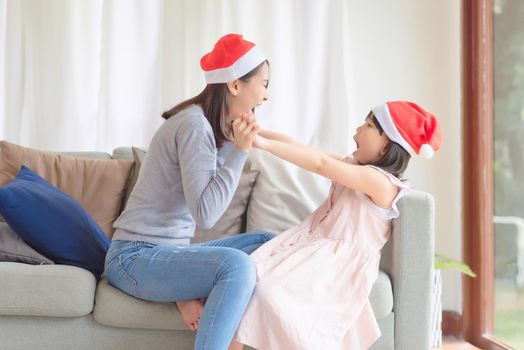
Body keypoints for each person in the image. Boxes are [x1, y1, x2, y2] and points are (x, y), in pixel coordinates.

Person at [103, 33, 276, 350]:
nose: (266, 96)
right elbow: (206, 215)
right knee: (235, 266)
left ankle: (204, 306)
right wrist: (239, 152)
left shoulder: (213, 126)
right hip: (133, 258)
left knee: (268, 244)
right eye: (264, 84)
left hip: (168, 254)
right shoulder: (195, 126)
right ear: (235, 85)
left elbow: (272, 141)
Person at [231, 101, 442, 349]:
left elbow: (321, 163)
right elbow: (302, 148)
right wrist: (257, 131)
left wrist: (261, 144)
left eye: (369, 125)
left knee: (266, 293)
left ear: (387, 143)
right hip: (311, 249)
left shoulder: (382, 183)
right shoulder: (356, 168)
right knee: (244, 284)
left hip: (337, 267)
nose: (358, 129)